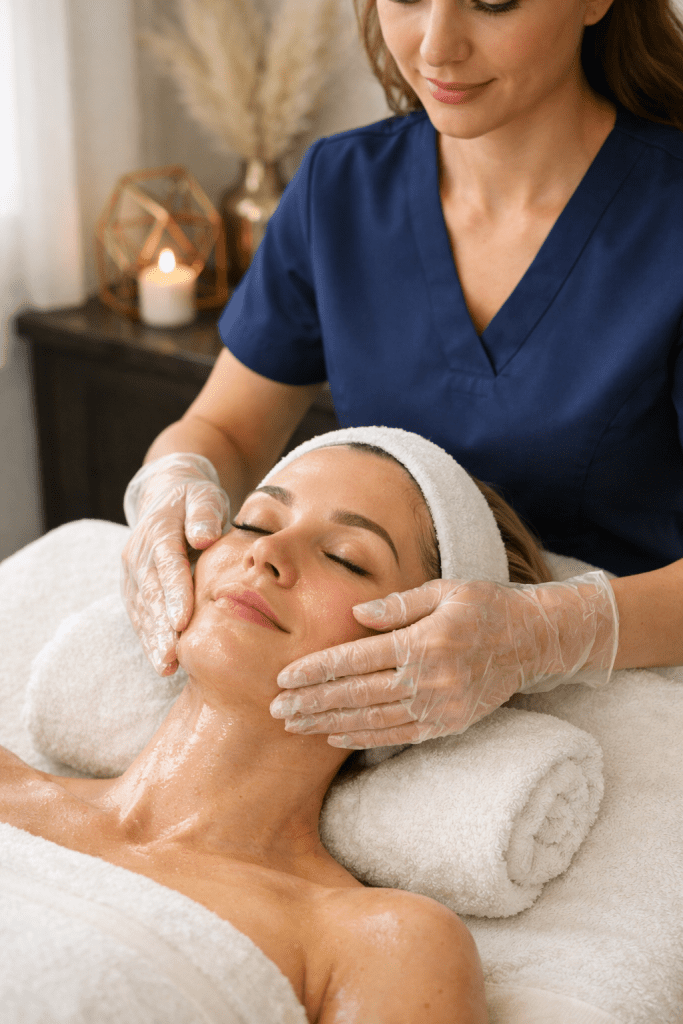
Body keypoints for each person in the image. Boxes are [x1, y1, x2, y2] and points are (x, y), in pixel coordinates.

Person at [121, 0, 683, 749]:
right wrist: (170, 490)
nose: (437, 46)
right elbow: (225, 427)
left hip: (631, 696)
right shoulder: (341, 188)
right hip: (373, 706)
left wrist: (547, 635)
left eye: (491, 2)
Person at [1, 427, 562, 1023]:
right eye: (255, 522)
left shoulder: (375, 943)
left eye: (345, 557)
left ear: (429, 662)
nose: (265, 553)